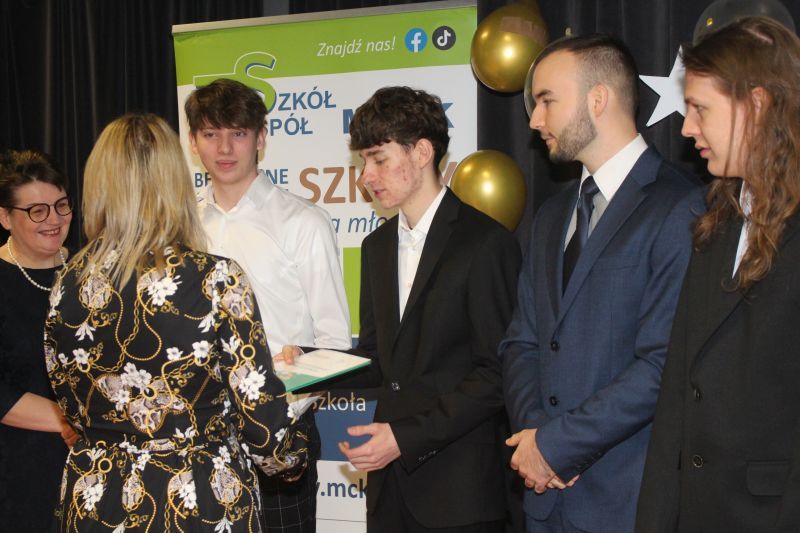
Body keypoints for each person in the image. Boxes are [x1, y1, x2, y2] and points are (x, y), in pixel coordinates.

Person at [46, 113, 309, 532]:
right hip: (197, 498)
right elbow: (262, 426)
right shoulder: (216, 279)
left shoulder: (68, 283)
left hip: (96, 495)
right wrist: (291, 459)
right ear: (175, 182)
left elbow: (69, 402)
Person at [499, 34, 702, 532]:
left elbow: (662, 364)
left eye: (546, 100)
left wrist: (556, 446)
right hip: (544, 500)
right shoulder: (551, 216)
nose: (534, 120)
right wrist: (536, 440)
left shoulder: (679, 205)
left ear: (598, 99)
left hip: (624, 501)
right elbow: (522, 341)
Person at [317, 86, 521, 532]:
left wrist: (404, 438)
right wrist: (306, 367)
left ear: (423, 152)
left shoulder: (485, 243)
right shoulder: (375, 246)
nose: (366, 177)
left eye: (379, 159)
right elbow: (377, 358)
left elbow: (496, 374)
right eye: (363, 162)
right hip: (389, 491)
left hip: (460, 493)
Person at [636, 17, 800, 532]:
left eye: (700, 109)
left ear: (758, 104)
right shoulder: (717, 221)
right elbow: (677, 397)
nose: (687, 129)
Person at [186, 78, 351, 533]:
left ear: (261, 138)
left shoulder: (303, 222)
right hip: (195, 439)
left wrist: (278, 410)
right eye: (211, 133)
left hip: (280, 435)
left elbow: (335, 344)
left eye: (238, 133)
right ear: (193, 142)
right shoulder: (180, 227)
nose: (224, 148)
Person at [0, 150, 77, 531]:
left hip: (96, 465)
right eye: (36, 211)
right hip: (21, 471)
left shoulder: (92, 269)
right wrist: (71, 420)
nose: (54, 220)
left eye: (61, 205)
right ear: (5, 217)